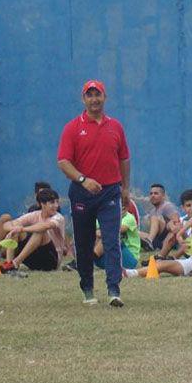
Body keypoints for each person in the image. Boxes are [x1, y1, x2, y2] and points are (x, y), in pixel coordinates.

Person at [57, 79, 130, 307]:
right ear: (83, 99)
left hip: (110, 192)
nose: (94, 99)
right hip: (82, 193)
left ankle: (113, 289)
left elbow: (124, 158)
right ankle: (87, 288)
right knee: (85, 242)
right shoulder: (72, 127)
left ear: (104, 98)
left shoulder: (115, 126)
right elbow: (63, 161)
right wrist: (83, 180)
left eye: (98, 95)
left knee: (111, 240)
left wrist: (125, 188)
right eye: (89, 95)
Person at [124, 189, 192, 278]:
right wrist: (172, 226)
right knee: (162, 264)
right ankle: (129, 273)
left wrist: (180, 233)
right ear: (183, 208)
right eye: (188, 205)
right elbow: (170, 225)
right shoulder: (183, 220)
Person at [0, 188, 67, 273]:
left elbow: (45, 226)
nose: (56, 205)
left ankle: (15, 263)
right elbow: (6, 225)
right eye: (52, 202)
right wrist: (14, 229)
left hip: (51, 261)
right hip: (33, 259)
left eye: (57, 202)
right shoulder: (35, 215)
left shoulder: (58, 217)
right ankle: (9, 265)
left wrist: (22, 229)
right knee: (16, 229)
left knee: (40, 231)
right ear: (43, 204)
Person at [93, 192, 140, 270]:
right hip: (110, 256)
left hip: (129, 258)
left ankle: (87, 261)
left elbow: (114, 231)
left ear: (124, 207)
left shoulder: (129, 218)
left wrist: (99, 232)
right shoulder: (104, 217)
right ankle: (85, 260)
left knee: (110, 236)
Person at [143, 183, 179, 251]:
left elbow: (177, 224)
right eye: (151, 194)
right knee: (137, 233)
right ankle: (149, 244)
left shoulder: (167, 206)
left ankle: (149, 241)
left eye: (156, 193)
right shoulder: (152, 211)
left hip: (169, 241)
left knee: (154, 218)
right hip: (158, 240)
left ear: (163, 195)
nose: (152, 196)